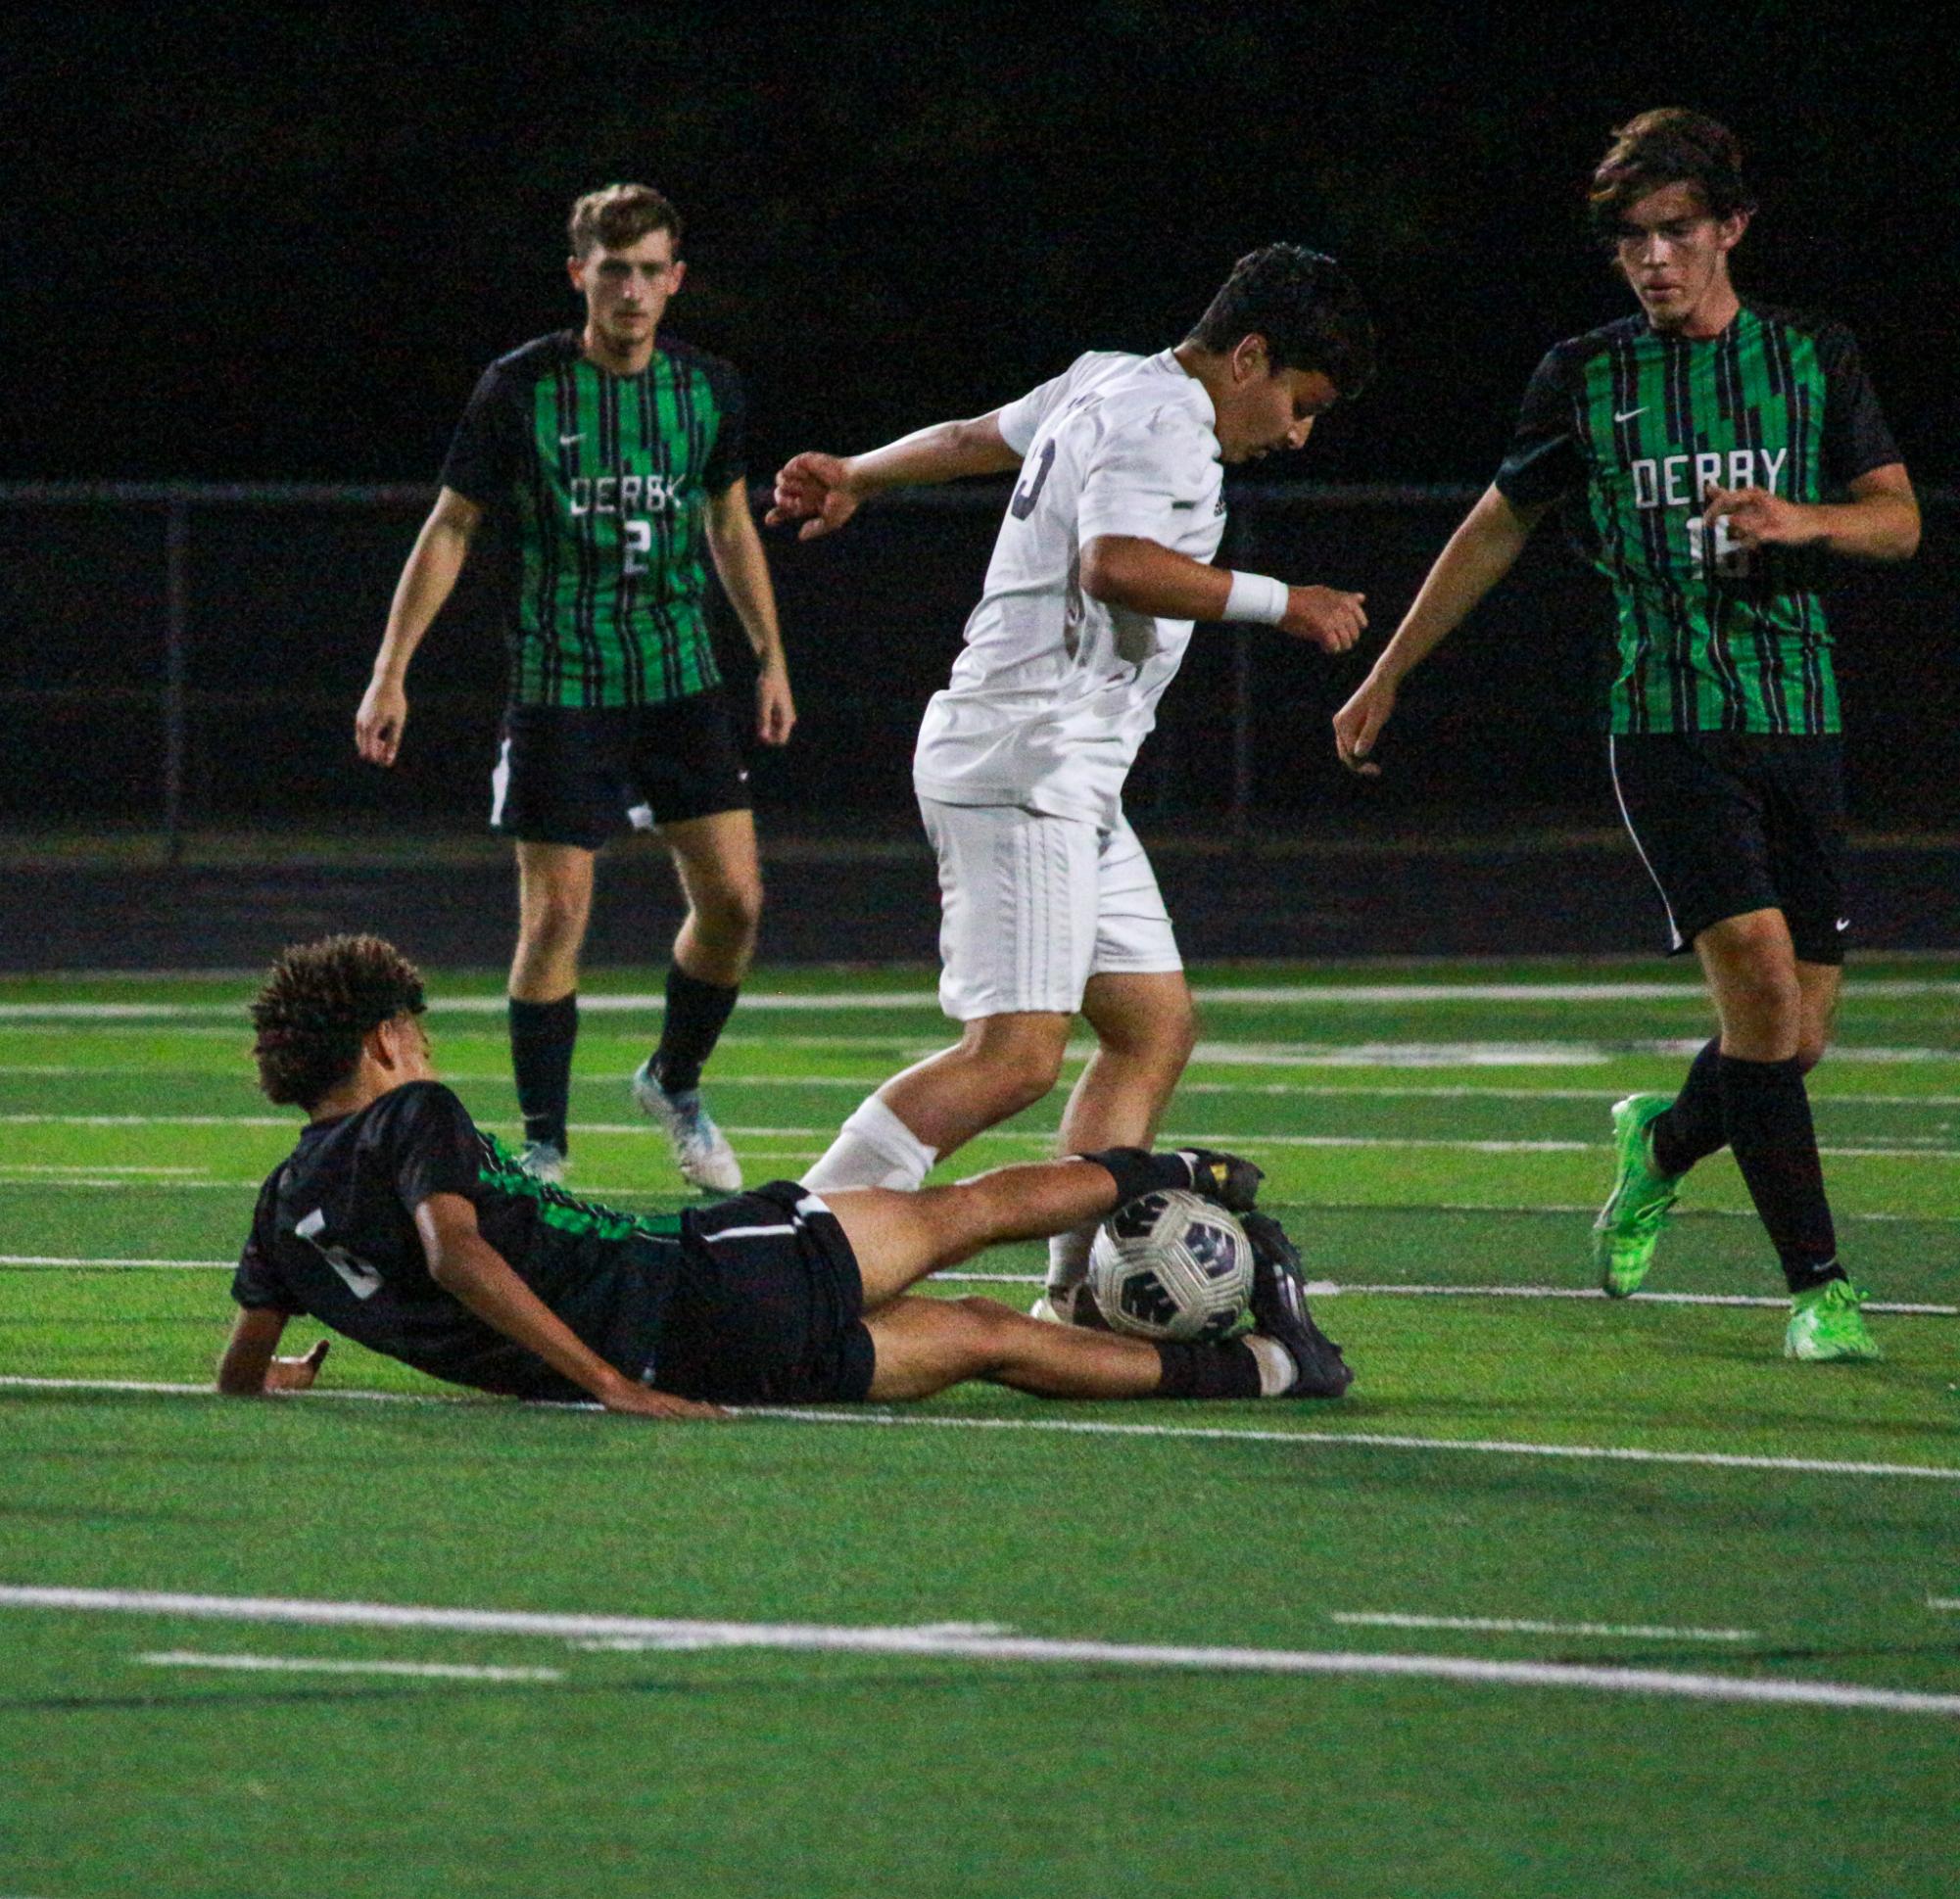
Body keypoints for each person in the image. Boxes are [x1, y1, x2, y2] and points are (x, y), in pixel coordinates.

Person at [1331, 110, 1919, 1360]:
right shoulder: (1586, 375)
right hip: (1666, 723)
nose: (1654, 258)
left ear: (1731, 229)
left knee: (1792, 1041)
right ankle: (1821, 1288)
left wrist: (1804, 523)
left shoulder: (1813, 357)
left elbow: (1899, 522)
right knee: (1759, 988)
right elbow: (1497, 523)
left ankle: (1660, 1141)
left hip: (1799, 717)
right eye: (1632, 240)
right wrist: (1390, 672)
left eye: (1676, 232)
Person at [766, 245, 1376, 1327]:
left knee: (1151, 1025)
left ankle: (1078, 1297)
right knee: (1012, 1059)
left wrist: (856, 471)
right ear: (1248, 356)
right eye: (1298, 400)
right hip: (1028, 758)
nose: (1296, 433)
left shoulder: (1108, 375)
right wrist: (1287, 600)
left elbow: (970, 441)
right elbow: (1118, 563)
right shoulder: (1166, 420)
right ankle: (785, 1257)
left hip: (1068, 771)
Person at [218, 934, 1352, 1414]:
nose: (426, 1053)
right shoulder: (409, 1112)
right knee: (953, 1216)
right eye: (415, 1035)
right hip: (699, 1280)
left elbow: (240, 1368)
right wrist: (613, 1383)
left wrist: (273, 1383)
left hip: (717, 1354)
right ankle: (1183, 1166)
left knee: (983, 1337)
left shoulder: (279, 1211)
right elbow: (455, 1252)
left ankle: (1271, 1368)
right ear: (380, 1044)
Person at [355, 183, 793, 1196]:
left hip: (681, 675)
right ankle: (545, 1150)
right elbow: (451, 526)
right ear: (579, 275)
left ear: (676, 279)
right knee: (555, 918)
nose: (632, 291)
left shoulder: (709, 390)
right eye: (614, 271)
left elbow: (729, 522)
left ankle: (673, 1081)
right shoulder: (520, 389)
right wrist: (391, 671)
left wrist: (768, 654)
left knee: (735, 902)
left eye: (649, 272)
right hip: (564, 680)